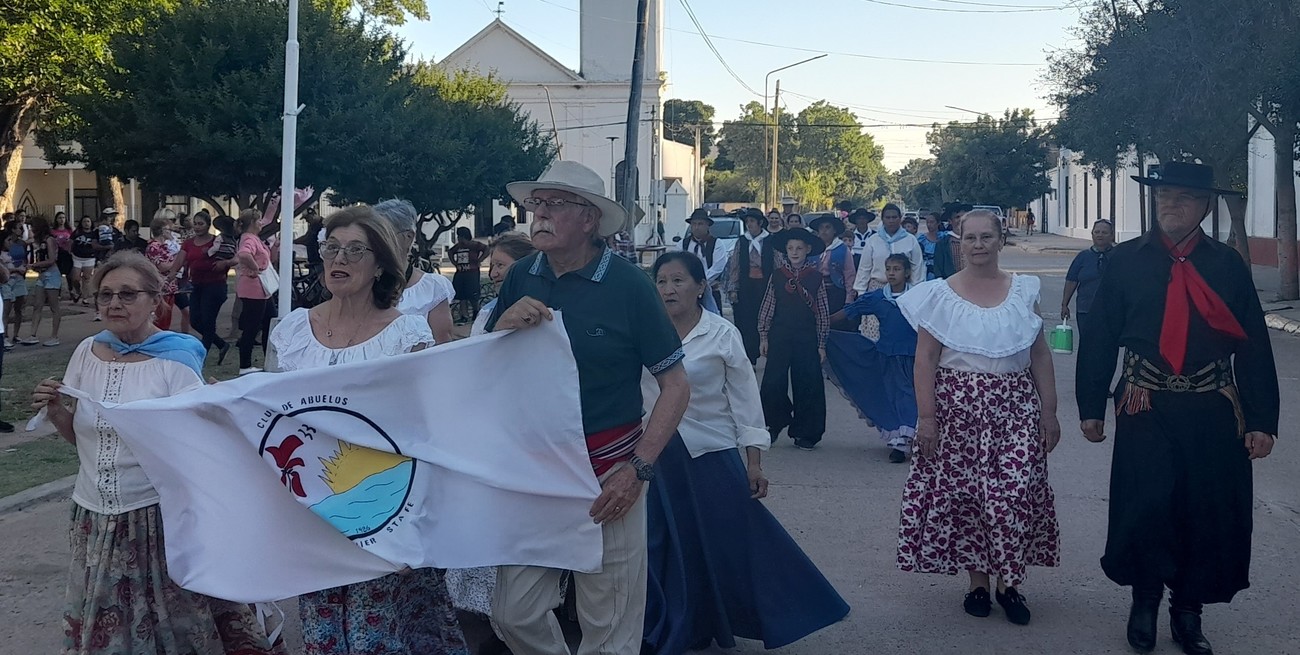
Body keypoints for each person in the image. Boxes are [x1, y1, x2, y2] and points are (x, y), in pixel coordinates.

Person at [30, 251, 283, 655]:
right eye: (105, 295)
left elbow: (196, 450)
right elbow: (84, 443)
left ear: (156, 299)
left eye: (128, 294)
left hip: (155, 519)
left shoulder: (176, 361)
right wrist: (59, 412)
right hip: (93, 516)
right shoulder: (86, 352)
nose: (114, 304)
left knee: (169, 625)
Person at [486, 160, 690, 655]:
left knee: (611, 624)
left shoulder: (630, 286)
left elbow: (676, 385)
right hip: (537, 470)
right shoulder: (520, 276)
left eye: (555, 204)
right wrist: (500, 328)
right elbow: (487, 365)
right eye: (536, 203)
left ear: (589, 219)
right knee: (512, 614)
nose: (539, 213)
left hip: (610, 468)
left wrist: (637, 468)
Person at [1076, 162, 1279, 655]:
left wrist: (1261, 420)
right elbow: (1100, 336)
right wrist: (1091, 405)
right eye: (1164, 195)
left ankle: (1188, 611)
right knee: (1146, 507)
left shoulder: (1227, 266)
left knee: (1204, 511)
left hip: (1212, 409)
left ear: (1205, 207)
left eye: (1184, 197)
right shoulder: (1124, 261)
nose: (1171, 204)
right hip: (1145, 404)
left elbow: (1252, 345)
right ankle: (1144, 600)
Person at [269, 205, 468, 655]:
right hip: (313, 508)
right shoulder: (295, 330)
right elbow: (273, 414)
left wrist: (410, 524)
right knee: (322, 634)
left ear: (380, 263)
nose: (339, 259)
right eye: (331, 248)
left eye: (355, 250)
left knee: (372, 637)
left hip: (383, 505)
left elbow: (425, 429)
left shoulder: (405, 333)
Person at [642, 251, 850, 654]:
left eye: (678, 280)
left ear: (701, 286)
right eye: (662, 281)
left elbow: (744, 401)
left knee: (727, 544)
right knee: (661, 544)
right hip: (655, 454)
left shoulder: (722, 335)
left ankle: (756, 614)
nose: (669, 289)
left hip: (710, 453)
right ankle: (666, 624)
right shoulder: (645, 332)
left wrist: (754, 461)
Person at [894, 210, 1061, 626]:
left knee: (1012, 495)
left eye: (987, 237)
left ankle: (1011, 583)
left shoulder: (1024, 290)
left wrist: (1050, 410)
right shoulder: (938, 295)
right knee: (969, 499)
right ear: (959, 244)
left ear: (1001, 240)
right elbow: (925, 360)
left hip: (1014, 408)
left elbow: (1039, 352)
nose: (979, 244)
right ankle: (979, 584)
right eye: (971, 238)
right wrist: (927, 418)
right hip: (957, 411)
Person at [826, 254, 919, 463]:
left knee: (911, 396)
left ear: (907, 272)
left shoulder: (917, 297)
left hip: (915, 357)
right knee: (895, 396)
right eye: (888, 269)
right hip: (887, 356)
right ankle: (900, 442)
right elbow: (851, 311)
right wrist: (823, 323)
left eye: (897, 269)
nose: (892, 273)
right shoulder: (878, 298)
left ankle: (913, 439)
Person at [758, 229, 828, 451]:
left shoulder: (816, 278)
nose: (795, 252)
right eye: (790, 248)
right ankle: (774, 421)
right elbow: (768, 306)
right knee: (772, 382)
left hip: (806, 336)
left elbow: (823, 312)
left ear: (807, 250)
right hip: (780, 334)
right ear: (785, 251)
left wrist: (821, 343)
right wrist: (763, 335)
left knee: (808, 383)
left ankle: (806, 432)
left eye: (799, 248)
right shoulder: (777, 275)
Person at [374, 199, 455, 344]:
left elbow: (442, 346)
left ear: (408, 237)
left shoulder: (433, 288)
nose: (375, 242)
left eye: (384, 234)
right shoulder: (361, 281)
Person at [852, 203, 924, 340]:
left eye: (894, 217)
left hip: (904, 291)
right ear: (882, 219)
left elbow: (917, 268)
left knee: (900, 327)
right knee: (875, 329)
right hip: (877, 289)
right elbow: (864, 268)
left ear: (900, 218)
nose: (891, 220)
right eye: (888, 217)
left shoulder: (910, 240)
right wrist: (861, 293)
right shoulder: (873, 240)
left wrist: (916, 292)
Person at [181, 211, 233, 361]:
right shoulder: (189, 242)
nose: (197, 227)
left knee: (208, 320)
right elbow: (181, 259)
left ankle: (201, 356)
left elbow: (235, 256)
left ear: (208, 225)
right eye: (195, 224)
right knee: (195, 320)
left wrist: (226, 263)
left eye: (201, 224)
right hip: (197, 285)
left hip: (215, 285)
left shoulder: (218, 240)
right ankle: (221, 344)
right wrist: (172, 274)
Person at [1061, 219, 1115, 348]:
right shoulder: (1083, 257)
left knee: (1108, 347)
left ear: (1112, 235)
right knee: (1087, 346)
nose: (1100, 235)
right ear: (1092, 234)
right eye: (1097, 232)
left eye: (1104, 232)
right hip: (1086, 310)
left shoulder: (1118, 256)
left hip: (1111, 312)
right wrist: (1064, 304)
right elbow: (1071, 281)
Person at [470, 231, 534, 337]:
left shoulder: (550, 308)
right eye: (492, 266)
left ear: (525, 265)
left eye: (500, 265)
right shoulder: (487, 313)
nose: (493, 274)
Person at [724, 209, 768, 364]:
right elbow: (735, 266)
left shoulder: (769, 241)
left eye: (752, 221)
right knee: (745, 320)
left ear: (760, 223)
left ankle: (763, 350)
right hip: (746, 285)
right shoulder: (742, 241)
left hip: (764, 286)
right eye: (747, 222)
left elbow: (777, 265)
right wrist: (733, 287)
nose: (749, 225)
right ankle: (748, 356)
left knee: (763, 319)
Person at [234, 208, 273, 375]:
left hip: (262, 289)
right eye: (258, 221)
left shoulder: (253, 238)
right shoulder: (248, 239)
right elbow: (243, 254)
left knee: (270, 322)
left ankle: (269, 359)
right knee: (253, 326)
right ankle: (245, 365)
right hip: (253, 289)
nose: (261, 223)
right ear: (252, 223)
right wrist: (255, 267)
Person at [809, 214, 856, 321]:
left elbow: (850, 275)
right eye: (821, 228)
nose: (824, 231)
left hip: (835, 292)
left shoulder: (843, 249)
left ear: (834, 230)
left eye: (827, 227)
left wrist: (849, 298)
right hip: (814, 292)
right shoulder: (812, 248)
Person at [680, 208, 729, 310]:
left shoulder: (717, 244)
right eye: (694, 224)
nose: (696, 227)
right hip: (687, 292)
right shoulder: (682, 244)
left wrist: (699, 282)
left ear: (707, 225)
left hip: (711, 289)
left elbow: (718, 268)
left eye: (700, 224)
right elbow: (679, 265)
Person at [26, 217, 63, 346]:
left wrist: (35, 264)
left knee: (54, 306)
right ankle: (33, 334)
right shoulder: (38, 241)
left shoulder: (49, 240)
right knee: (37, 304)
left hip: (51, 274)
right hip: (41, 275)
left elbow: (52, 259)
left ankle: (54, 336)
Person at [145, 218, 184, 330]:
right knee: (160, 320)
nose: (171, 231)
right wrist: (178, 258)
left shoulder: (165, 246)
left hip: (169, 287)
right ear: (162, 230)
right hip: (160, 288)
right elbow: (162, 266)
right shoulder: (154, 247)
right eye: (168, 229)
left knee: (166, 319)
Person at [448, 227, 488, 324]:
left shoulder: (475, 245)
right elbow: (450, 252)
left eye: (461, 237)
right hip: (461, 273)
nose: (459, 239)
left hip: (472, 272)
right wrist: (455, 263)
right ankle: (464, 315)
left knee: (473, 294)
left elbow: (486, 249)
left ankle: (476, 311)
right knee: (462, 296)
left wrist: (480, 260)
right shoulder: (458, 247)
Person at [3, 219, 29, 347]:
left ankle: (16, 334)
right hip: (8, 278)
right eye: (19, 228)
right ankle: (5, 335)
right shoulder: (5, 244)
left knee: (20, 304)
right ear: (12, 229)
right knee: (7, 307)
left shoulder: (22, 244)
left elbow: (25, 258)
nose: (21, 230)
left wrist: (24, 268)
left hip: (19, 276)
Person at [71, 216, 98, 311]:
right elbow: (71, 242)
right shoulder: (77, 233)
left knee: (86, 278)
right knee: (75, 278)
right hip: (77, 257)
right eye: (84, 221)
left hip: (89, 258)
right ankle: (77, 291)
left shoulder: (94, 234)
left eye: (88, 221)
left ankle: (85, 298)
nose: (86, 223)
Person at [915, 212, 946, 281]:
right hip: (925, 272)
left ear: (938, 223)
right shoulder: (921, 239)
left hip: (942, 270)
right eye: (927, 222)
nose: (929, 225)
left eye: (932, 222)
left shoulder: (944, 237)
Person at [52, 211, 75, 300]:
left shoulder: (69, 230)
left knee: (69, 275)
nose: (62, 220)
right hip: (57, 254)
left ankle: (71, 291)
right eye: (60, 218)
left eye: (63, 218)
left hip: (67, 254)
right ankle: (58, 293)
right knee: (57, 274)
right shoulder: (53, 231)